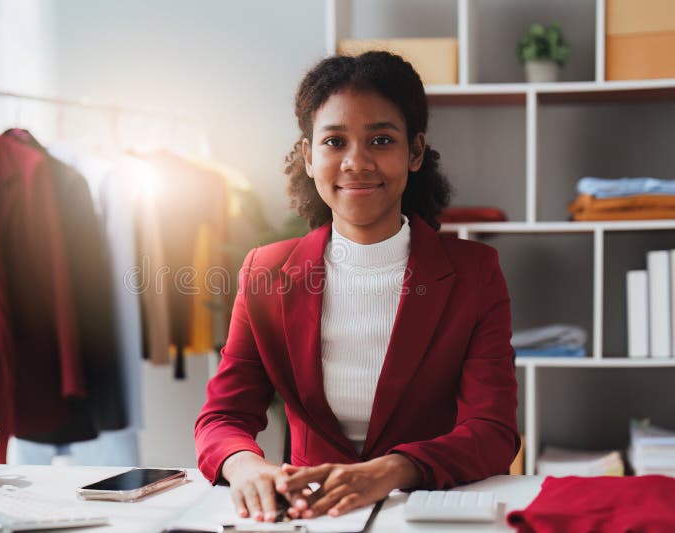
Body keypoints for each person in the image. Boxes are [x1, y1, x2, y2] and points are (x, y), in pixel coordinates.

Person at [194, 51, 519, 522]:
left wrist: (391, 471)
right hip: (310, 515)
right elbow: (223, 416)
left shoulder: (475, 272)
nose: (356, 162)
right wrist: (246, 467)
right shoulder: (266, 272)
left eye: (381, 140)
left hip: (426, 510)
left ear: (415, 152)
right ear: (309, 157)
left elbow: (492, 430)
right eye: (334, 142)